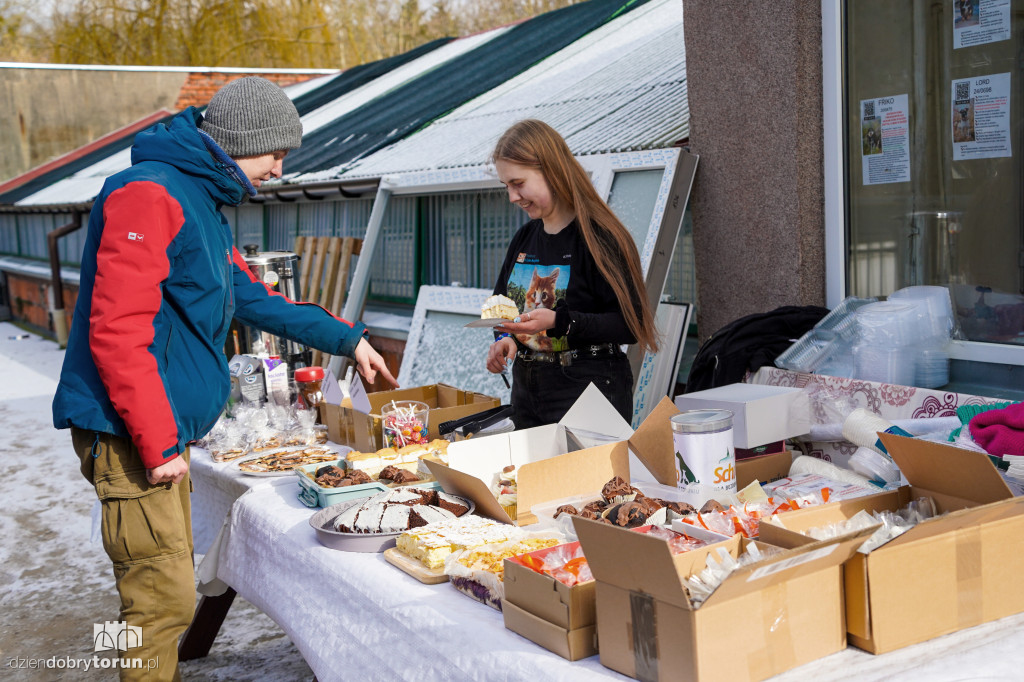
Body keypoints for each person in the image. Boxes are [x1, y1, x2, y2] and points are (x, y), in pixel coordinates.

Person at [51, 76, 397, 681]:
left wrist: (349, 338)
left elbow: (249, 296)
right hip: (128, 432)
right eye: (276, 152)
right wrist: (159, 442)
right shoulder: (148, 194)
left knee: (168, 592)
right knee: (161, 603)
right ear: (242, 140)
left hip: (159, 429)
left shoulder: (199, 202)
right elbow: (117, 330)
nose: (280, 168)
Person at [485, 119, 657, 428]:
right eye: (506, 186)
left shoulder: (600, 237)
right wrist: (504, 338)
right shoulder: (524, 238)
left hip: (589, 392)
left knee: (590, 479)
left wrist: (559, 321)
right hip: (526, 392)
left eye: (518, 183)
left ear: (550, 170)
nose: (512, 196)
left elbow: (632, 325)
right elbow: (502, 308)